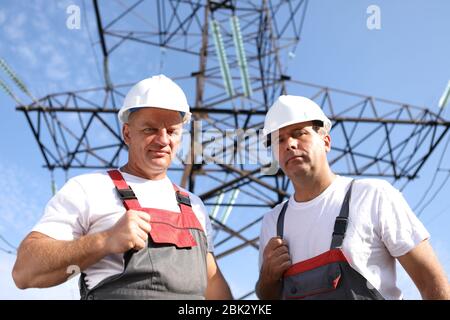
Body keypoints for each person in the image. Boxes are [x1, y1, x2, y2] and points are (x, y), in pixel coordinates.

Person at [12, 74, 233, 300]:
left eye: (172, 131)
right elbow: (25, 272)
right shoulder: (89, 188)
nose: (163, 140)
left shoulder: (194, 205)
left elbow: (215, 288)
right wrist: (104, 241)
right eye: (150, 130)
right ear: (127, 133)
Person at [256, 95, 450, 300]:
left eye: (299, 133)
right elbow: (267, 298)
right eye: (280, 139)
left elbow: (432, 284)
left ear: (326, 142)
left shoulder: (373, 196)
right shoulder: (273, 222)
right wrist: (268, 277)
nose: (290, 144)